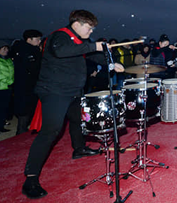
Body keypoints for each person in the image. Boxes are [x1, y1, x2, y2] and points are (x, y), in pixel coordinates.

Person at [22, 10, 124, 199]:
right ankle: (30, 178)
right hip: (54, 91)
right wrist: (95, 46)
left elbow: (94, 56)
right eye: (89, 27)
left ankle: (79, 149)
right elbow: (62, 52)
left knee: (79, 119)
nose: (91, 31)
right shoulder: (58, 37)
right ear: (76, 24)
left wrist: (112, 63)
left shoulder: (81, 42)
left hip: (73, 91)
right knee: (50, 131)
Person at [12, 30, 42, 134]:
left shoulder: (32, 50)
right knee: (25, 109)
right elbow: (30, 68)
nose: (39, 41)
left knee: (30, 108)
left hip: (31, 84)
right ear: (29, 40)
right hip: (25, 85)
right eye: (37, 39)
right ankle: (21, 133)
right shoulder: (24, 50)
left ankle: (25, 130)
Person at [0, 41, 15, 133]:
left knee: (4, 108)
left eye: (7, 48)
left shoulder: (8, 60)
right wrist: (8, 81)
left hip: (8, 88)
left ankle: (1, 125)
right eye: (3, 48)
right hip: (1, 87)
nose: (6, 50)